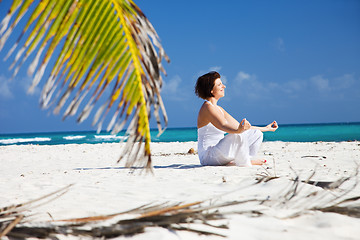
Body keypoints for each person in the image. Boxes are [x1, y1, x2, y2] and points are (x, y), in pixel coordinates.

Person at [195, 71, 278, 167]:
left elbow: (239, 126)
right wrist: (239, 130)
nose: (224, 86)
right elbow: (223, 125)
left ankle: (247, 158)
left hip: (219, 152)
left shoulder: (219, 109)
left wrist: (267, 128)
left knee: (256, 133)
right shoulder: (207, 107)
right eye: (219, 84)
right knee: (238, 134)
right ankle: (245, 163)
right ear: (211, 90)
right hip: (208, 156)